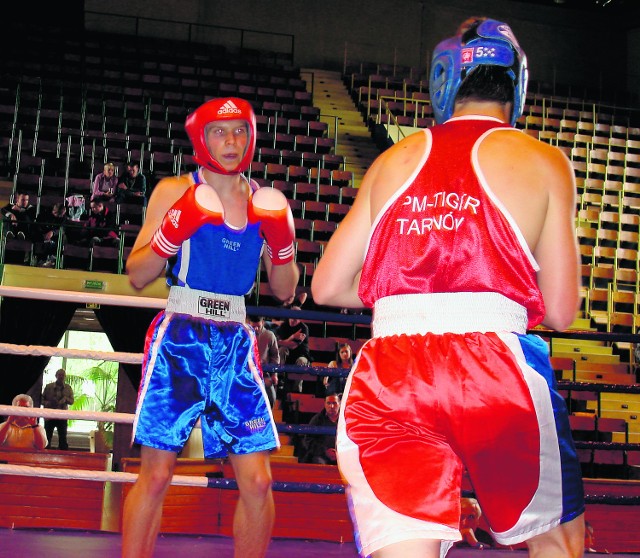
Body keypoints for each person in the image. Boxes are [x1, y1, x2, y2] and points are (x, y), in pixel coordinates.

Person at [311, 16, 585, 558]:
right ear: (517, 86)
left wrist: (411, 290)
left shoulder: (393, 159)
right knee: (556, 540)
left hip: (392, 371)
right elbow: (560, 311)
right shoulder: (544, 160)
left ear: (445, 82)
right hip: (496, 371)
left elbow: (326, 287)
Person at [121, 97, 299, 558]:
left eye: (239, 131)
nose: (231, 141)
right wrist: (171, 232)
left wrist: (281, 246)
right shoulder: (174, 190)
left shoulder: (265, 201)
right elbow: (138, 274)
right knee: (157, 476)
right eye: (220, 132)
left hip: (236, 341)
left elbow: (284, 290)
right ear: (202, 138)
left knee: (259, 482)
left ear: (251, 136)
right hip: (180, 334)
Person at [275, 305, 312, 394]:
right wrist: (293, 336)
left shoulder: (303, 328)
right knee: (282, 350)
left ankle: (297, 390)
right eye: (291, 317)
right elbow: (277, 343)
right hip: (286, 355)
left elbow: (293, 346)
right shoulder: (284, 326)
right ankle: (280, 378)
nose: (292, 320)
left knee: (301, 361)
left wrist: (283, 341)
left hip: (300, 354)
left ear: (300, 319)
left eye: (295, 319)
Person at [248, 314, 280, 408]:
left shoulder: (269, 335)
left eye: (258, 326)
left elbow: (275, 356)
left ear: (263, 323)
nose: (256, 329)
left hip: (264, 374)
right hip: (246, 374)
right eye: (254, 327)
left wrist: (274, 374)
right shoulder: (243, 335)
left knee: (271, 398)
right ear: (249, 323)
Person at [300, 393, 340, 465]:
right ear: (324, 404)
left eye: (334, 403)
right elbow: (308, 440)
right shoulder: (317, 420)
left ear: (339, 404)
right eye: (328, 403)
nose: (331, 406)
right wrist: (325, 451)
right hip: (321, 455)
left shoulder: (346, 420)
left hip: (342, 455)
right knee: (318, 462)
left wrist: (339, 452)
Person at [42, 369, 74, 450]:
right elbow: (41, 400)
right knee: (47, 437)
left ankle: (63, 457)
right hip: (50, 416)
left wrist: (65, 399)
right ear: (56, 376)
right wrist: (48, 403)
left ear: (65, 377)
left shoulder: (68, 388)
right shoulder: (48, 387)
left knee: (63, 437)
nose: (61, 377)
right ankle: (44, 455)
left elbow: (72, 401)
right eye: (59, 375)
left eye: (63, 375)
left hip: (62, 416)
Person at [34, 201, 68, 267]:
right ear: (55, 212)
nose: (62, 216)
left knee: (63, 238)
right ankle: (41, 260)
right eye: (61, 214)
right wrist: (44, 234)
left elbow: (63, 229)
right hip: (43, 234)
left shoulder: (63, 217)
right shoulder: (44, 215)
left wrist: (53, 232)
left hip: (55, 237)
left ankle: (54, 259)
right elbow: (37, 225)